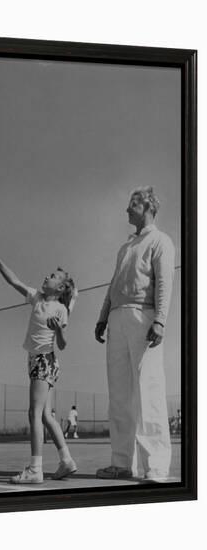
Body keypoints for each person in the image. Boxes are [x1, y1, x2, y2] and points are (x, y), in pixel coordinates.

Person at [94, 187, 175, 483]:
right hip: (117, 320)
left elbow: (165, 283)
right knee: (119, 396)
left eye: (132, 205)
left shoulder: (160, 241)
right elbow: (113, 285)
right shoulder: (125, 247)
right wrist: (103, 317)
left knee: (148, 392)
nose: (127, 210)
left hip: (144, 318)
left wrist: (160, 322)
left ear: (148, 207)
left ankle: (155, 466)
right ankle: (121, 463)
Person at [0, 253, 78, 484]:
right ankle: (66, 460)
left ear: (59, 288)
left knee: (34, 414)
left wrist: (59, 331)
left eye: (53, 276)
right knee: (46, 415)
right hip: (40, 362)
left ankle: (35, 469)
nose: (46, 276)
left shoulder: (60, 310)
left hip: (44, 361)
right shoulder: (37, 298)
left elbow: (63, 345)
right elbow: (14, 281)